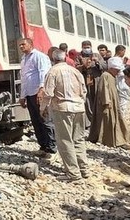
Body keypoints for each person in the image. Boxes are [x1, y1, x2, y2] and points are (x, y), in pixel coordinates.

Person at [43, 49, 89, 181]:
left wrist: (43, 108)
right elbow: (84, 91)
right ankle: (84, 169)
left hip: (62, 109)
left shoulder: (53, 72)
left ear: (53, 59)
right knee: (78, 139)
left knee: (65, 140)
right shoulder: (75, 71)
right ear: (64, 58)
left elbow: (48, 94)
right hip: (79, 108)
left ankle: (73, 173)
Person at [18, 38, 57, 156]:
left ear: (30, 44)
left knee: (45, 119)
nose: (21, 47)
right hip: (29, 94)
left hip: (38, 93)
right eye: (20, 45)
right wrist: (22, 96)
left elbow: (43, 73)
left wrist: (41, 89)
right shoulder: (24, 59)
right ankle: (43, 146)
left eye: (23, 44)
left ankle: (52, 148)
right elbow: (24, 79)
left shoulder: (39, 56)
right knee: (35, 121)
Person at [88, 56, 129, 147]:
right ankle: (105, 139)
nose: (118, 72)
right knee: (106, 121)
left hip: (112, 101)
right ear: (111, 68)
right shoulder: (105, 75)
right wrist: (106, 102)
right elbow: (103, 90)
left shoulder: (111, 76)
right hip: (107, 103)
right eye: (116, 70)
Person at [75, 40, 107, 124]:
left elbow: (104, 66)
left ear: (91, 47)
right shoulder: (79, 57)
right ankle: (90, 121)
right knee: (87, 100)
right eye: (85, 47)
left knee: (98, 98)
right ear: (82, 47)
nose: (86, 49)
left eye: (88, 47)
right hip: (86, 81)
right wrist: (83, 66)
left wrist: (97, 62)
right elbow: (76, 68)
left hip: (96, 80)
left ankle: (99, 118)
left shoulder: (97, 55)